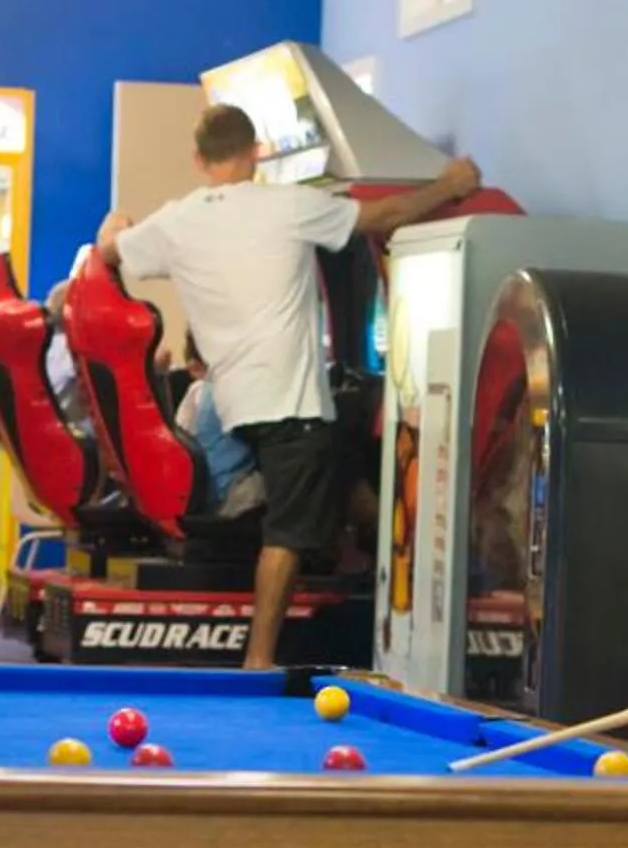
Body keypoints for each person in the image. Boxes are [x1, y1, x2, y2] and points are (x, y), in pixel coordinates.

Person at [96, 103, 479, 670]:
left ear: (199, 159)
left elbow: (108, 250)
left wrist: (118, 221)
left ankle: (385, 573)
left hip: (229, 404)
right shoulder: (288, 205)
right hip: (287, 401)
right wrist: (450, 184)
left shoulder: (177, 221)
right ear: (257, 152)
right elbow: (384, 215)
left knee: (341, 452)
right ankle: (259, 659)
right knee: (287, 534)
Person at [172, 342, 267, 521]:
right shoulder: (236, 387)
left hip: (202, 492)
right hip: (231, 494)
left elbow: (182, 434)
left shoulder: (205, 388)